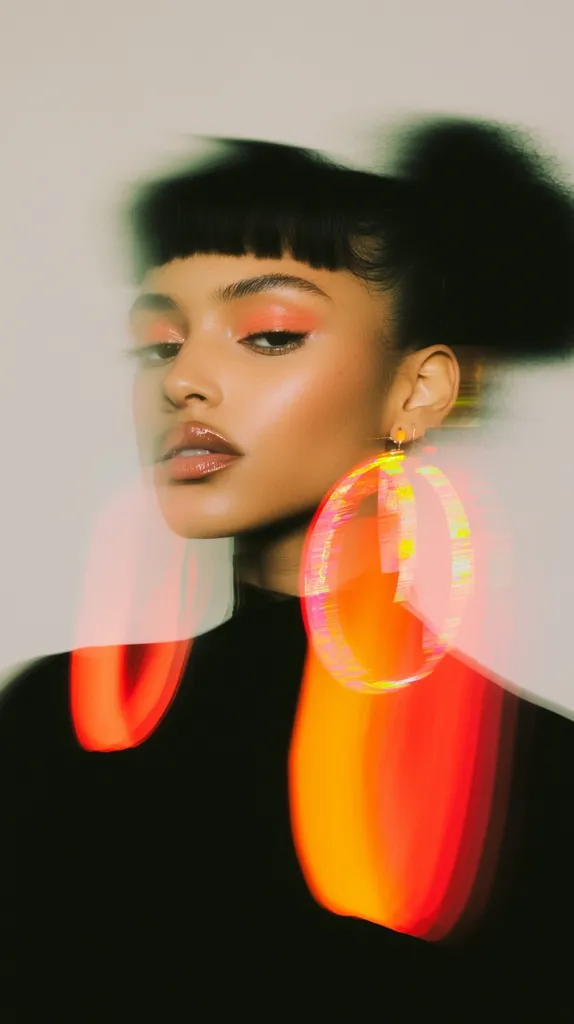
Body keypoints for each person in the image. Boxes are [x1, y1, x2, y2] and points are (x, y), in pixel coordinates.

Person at [1, 118, 574, 1019]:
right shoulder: (43, 729)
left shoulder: (539, 783)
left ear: (417, 390)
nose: (183, 379)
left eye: (267, 333)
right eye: (160, 343)